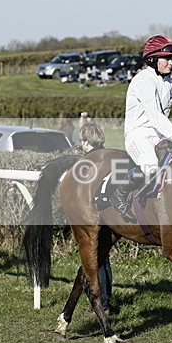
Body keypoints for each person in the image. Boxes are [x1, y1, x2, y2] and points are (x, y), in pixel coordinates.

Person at [114, 35, 172, 222]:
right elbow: (155, 116)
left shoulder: (170, 84)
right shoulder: (143, 80)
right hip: (138, 135)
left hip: (160, 135)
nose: (171, 63)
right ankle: (118, 194)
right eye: (166, 59)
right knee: (151, 167)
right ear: (152, 60)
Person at [79, 121, 113, 313]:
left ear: (86, 141)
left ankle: (102, 303)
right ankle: (106, 300)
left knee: (97, 259)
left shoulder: (91, 161)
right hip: (110, 211)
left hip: (96, 213)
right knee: (104, 260)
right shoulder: (107, 155)